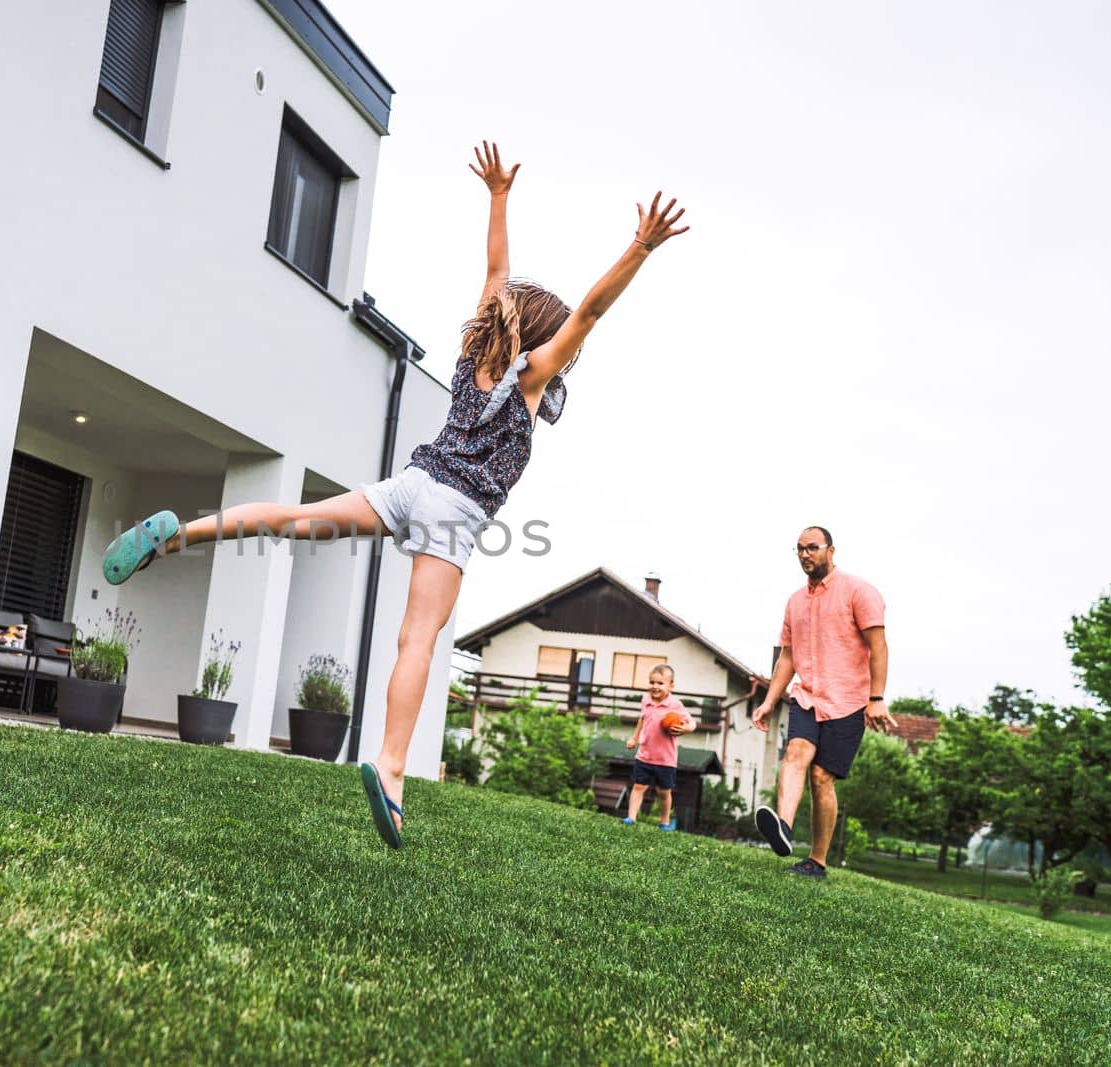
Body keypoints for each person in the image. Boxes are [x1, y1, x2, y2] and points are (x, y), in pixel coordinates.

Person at [101, 142, 689, 848]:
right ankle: (392, 767)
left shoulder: (478, 352)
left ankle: (174, 536)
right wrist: (640, 248)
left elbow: (498, 271)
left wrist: (499, 197)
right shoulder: (531, 374)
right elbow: (589, 313)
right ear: (543, 332)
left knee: (292, 518)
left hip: (412, 482)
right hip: (455, 507)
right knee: (417, 639)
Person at [751, 526, 893, 878]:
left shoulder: (859, 592)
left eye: (812, 547)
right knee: (796, 752)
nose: (804, 555)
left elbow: (878, 647)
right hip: (807, 695)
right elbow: (787, 658)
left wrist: (876, 699)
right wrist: (770, 701)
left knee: (821, 777)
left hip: (849, 700)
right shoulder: (795, 602)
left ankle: (817, 860)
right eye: (799, 549)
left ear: (831, 550)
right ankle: (783, 827)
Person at [622, 664, 691, 830]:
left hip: (665, 759)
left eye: (660, 683)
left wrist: (685, 729)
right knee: (638, 786)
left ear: (671, 686)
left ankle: (665, 822)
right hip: (644, 755)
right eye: (652, 682)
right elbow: (642, 719)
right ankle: (631, 818)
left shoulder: (675, 705)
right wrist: (634, 738)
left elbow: (692, 723)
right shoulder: (646, 700)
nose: (655, 686)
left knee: (663, 792)